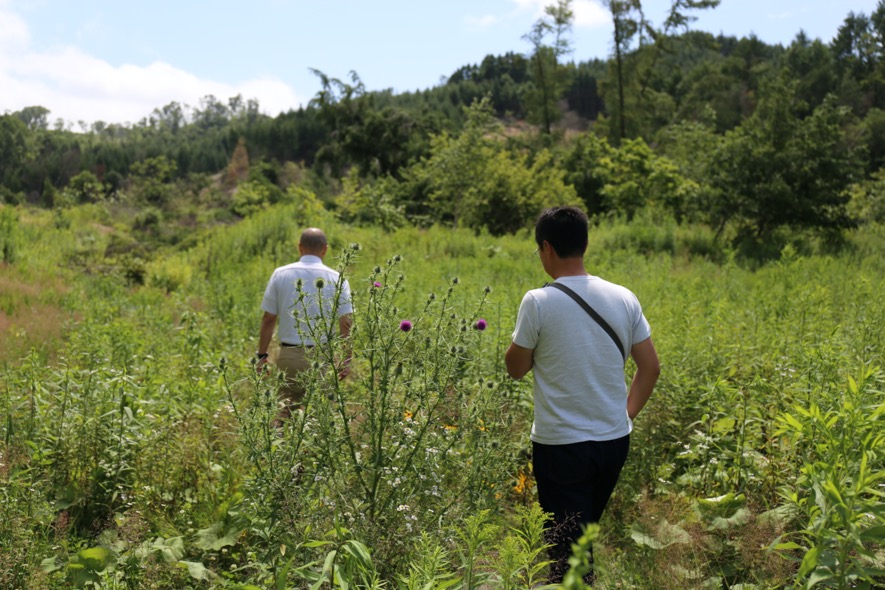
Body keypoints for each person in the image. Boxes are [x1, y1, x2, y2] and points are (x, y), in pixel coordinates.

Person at [505, 206, 660, 584]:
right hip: (613, 442)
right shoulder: (624, 297)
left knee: (567, 555)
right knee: (580, 536)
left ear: (546, 247)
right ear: (585, 243)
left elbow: (515, 368)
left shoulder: (538, 301)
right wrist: (626, 416)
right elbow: (650, 368)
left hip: (562, 446)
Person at [257, 227, 353, 419]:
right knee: (321, 421)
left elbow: (269, 319)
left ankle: (284, 447)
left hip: (289, 357)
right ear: (325, 249)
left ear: (299, 247)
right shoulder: (337, 278)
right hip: (322, 359)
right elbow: (346, 323)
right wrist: (346, 359)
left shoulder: (280, 274)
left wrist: (261, 355)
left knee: (285, 414)